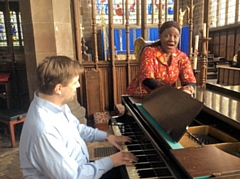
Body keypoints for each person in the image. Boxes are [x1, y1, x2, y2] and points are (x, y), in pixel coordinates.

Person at [19, 56, 137, 179]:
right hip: (76, 175)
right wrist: (111, 161)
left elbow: (77, 128)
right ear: (58, 88)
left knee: (125, 170)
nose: (79, 85)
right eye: (75, 82)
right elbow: (73, 177)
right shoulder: (44, 129)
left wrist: (107, 136)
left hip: (80, 168)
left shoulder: (56, 105)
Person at [126, 21, 196, 96]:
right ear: (160, 36)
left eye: (175, 36)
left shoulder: (182, 57)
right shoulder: (149, 52)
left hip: (164, 96)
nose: (172, 39)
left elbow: (189, 79)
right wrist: (173, 91)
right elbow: (147, 79)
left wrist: (188, 89)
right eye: (167, 36)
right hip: (142, 95)